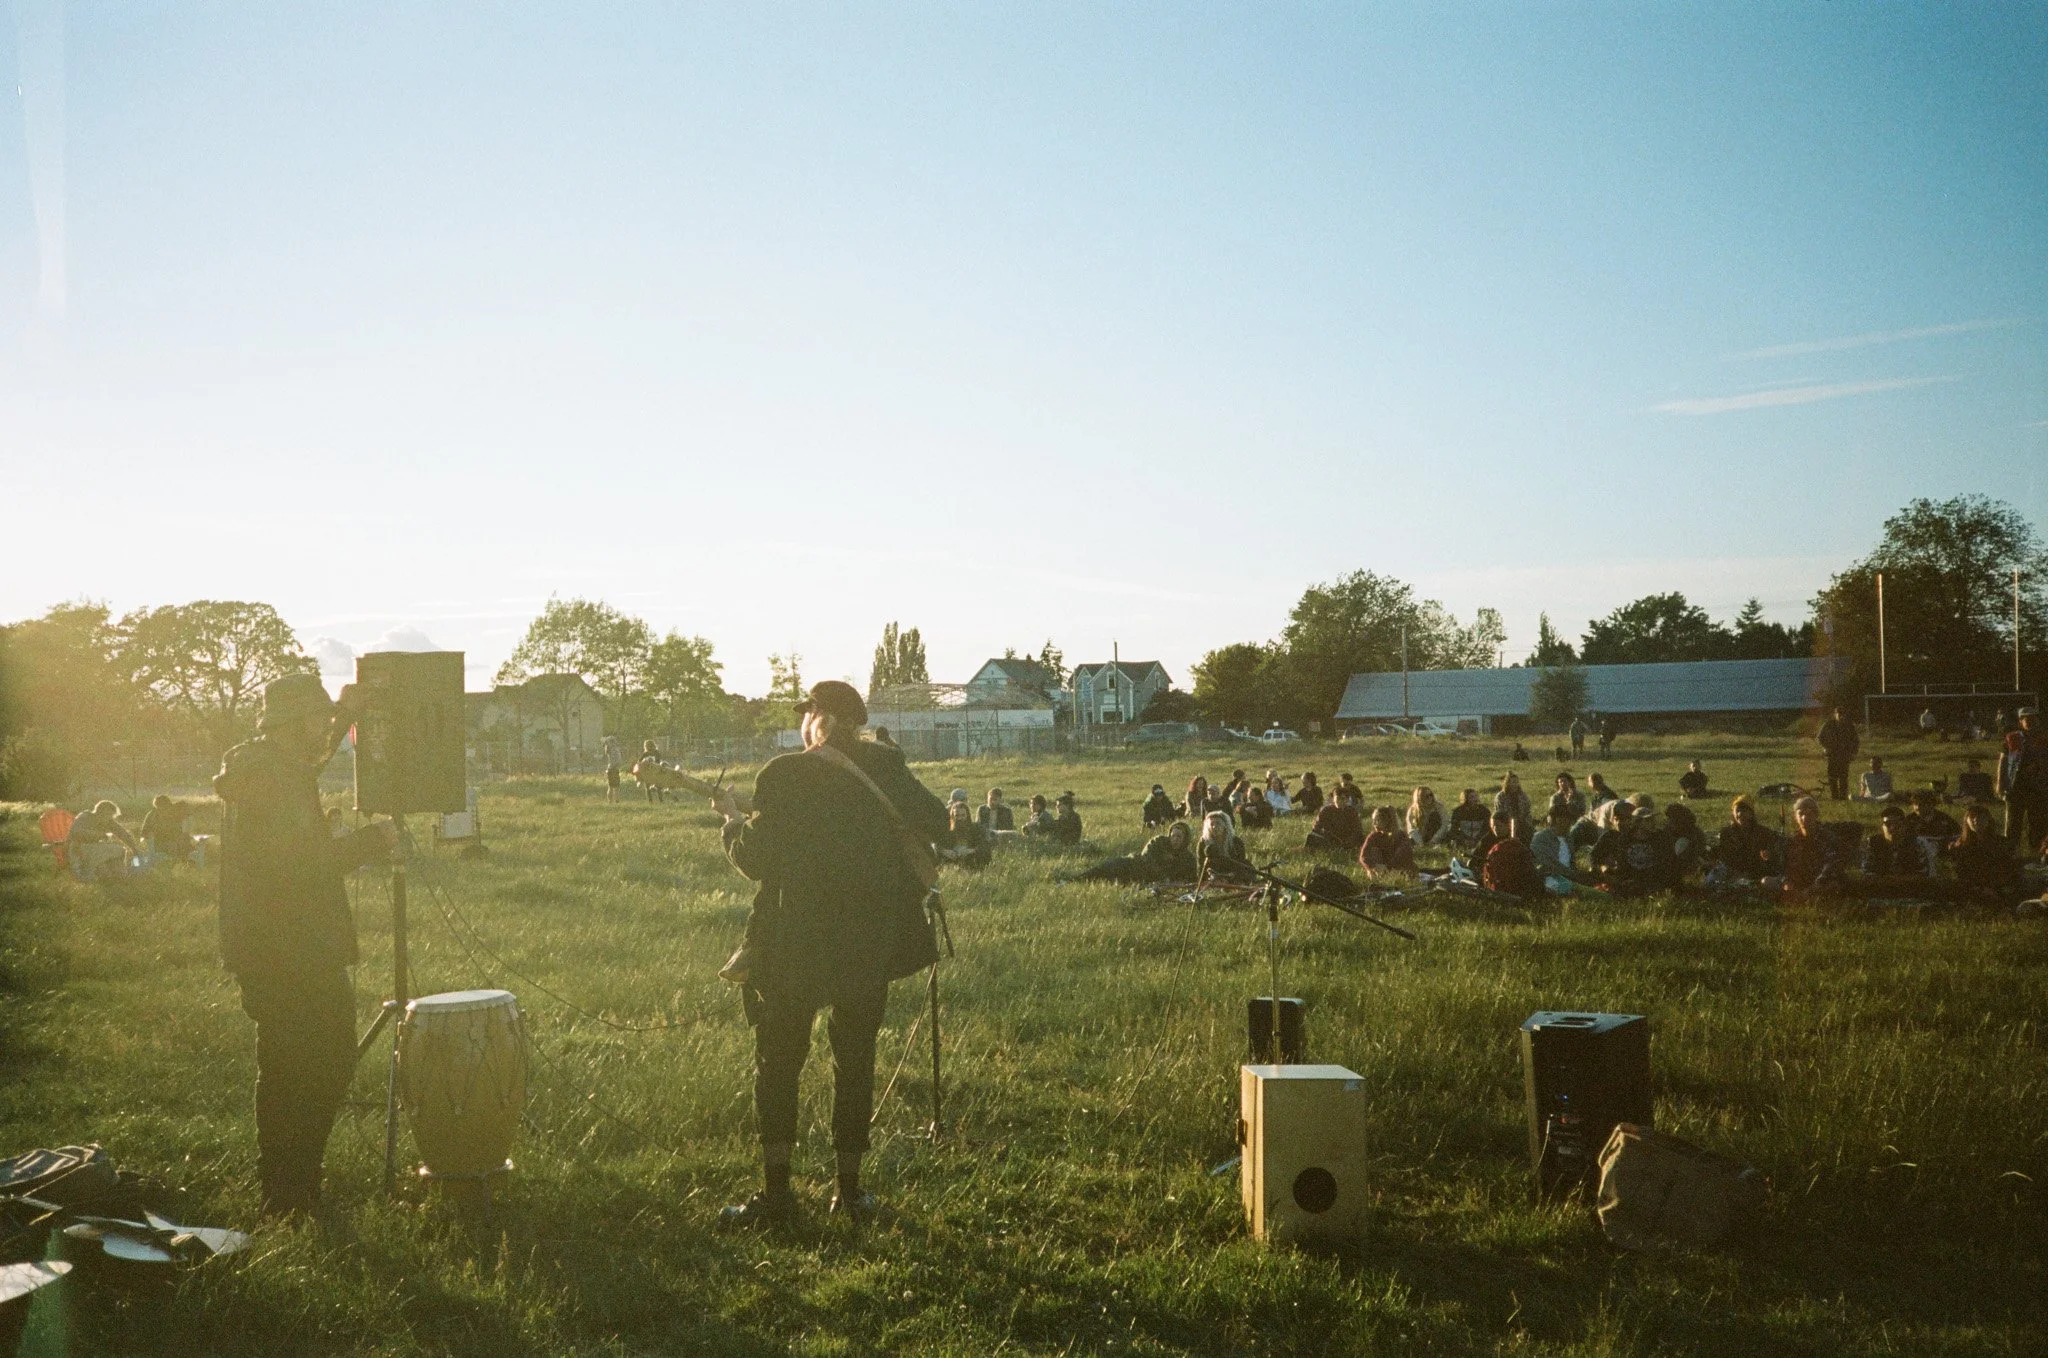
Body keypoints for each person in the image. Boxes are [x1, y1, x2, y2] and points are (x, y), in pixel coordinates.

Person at [714, 680, 949, 1227]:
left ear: (818, 717)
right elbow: (936, 821)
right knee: (855, 1060)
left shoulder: (784, 773)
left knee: (778, 1066)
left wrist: (730, 826)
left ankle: (777, 1196)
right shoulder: (886, 766)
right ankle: (849, 1191)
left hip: (793, 944)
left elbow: (754, 860)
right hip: (868, 942)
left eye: (807, 712)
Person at [214, 673, 391, 1218]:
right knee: (307, 1067)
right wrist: (370, 842)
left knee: (305, 1064)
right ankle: (289, 1196)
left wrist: (341, 717)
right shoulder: (273, 780)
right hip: (287, 947)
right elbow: (304, 862)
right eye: (314, 719)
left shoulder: (267, 766)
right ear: (290, 724)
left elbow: (308, 760)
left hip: (281, 944)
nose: (322, 729)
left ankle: (293, 1189)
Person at [1591, 801, 1676, 897]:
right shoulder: (1623, 839)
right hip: (1628, 881)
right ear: (1638, 822)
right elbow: (1596, 858)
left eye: (1652, 819)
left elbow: (1667, 863)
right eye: (1648, 820)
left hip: (1652, 880)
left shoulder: (1658, 838)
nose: (1653, 823)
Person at [1071, 821, 1196, 884]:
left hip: (1141, 881)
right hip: (1131, 866)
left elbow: (1191, 878)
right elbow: (1146, 857)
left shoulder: (1187, 858)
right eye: (1173, 835)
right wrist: (1162, 877)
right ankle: (1072, 880)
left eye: (1179, 837)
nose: (1175, 839)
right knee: (1101, 871)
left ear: (1185, 839)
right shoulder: (1159, 841)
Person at [1951, 804, 2022, 905]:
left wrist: (1994, 888)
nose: (1976, 820)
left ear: (1989, 820)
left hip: (1999, 887)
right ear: (1966, 821)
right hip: (1973, 889)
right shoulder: (1960, 847)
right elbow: (1960, 873)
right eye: (1972, 817)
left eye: (1981, 817)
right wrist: (1981, 888)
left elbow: (2010, 869)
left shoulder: (2002, 843)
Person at [1999, 707, 2048, 854]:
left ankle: (2038, 852)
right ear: (2021, 721)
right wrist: (2000, 783)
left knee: (2038, 821)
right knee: (2013, 822)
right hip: (2016, 786)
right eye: (2027, 719)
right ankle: (2010, 851)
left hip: (2038, 786)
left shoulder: (2044, 738)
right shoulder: (2011, 738)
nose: (2031, 721)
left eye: (2034, 718)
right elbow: (2003, 760)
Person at [1780, 795, 1844, 898]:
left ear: (1816, 815)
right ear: (1796, 817)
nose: (1804, 818)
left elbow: (1831, 865)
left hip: (1820, 881)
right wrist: (1786, 881)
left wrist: (1815, 885)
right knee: (1767, 882)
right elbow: (1783, 864)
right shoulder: (1792, 839)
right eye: (1801, 814)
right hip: (1799, 881)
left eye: (1809, 814)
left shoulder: (1827, 837)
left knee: (1833, 885)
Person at [67, 800, 142, 880]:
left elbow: (123, 833)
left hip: (95, 850)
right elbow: (76, 832)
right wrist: (100, 835)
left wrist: (134, 848)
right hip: (80, 849)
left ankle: (122, 876)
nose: (111, 818)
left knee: (114, 863)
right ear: (102, 812)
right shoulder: (85, 817)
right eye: (110, 815)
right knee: (118, 850)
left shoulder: (107, 821)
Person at [1712, 797, 1780, 883]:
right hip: (1732, 873)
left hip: (1756, 874)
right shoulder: (1726, 833)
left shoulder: (1763, 833)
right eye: (1737, 811)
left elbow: (1770, 858)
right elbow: (1725, 858)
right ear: (1733, 814)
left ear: (1751, 814)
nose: (1740, 814)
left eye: (1744, 811)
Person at [1481, 812, 1544, 898]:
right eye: (1493, 826)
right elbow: (1477, 860)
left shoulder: (1518, 840)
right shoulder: (1487, 839)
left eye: (1499, 826)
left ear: (1508, 825)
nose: (1495, 829)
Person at [1861, 804, 1929, 881]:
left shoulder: (1916, 843)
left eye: (1897, 824)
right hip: (1879, 888)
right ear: (1882, 827)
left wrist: (1897, 880)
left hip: (1908, 888)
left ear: (1904, 826)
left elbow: (1922, 874)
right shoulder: (1872, 843)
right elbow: (1867, 873)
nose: (1892, 828)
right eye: (1888, 824)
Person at [1529, 806, 1587, 893]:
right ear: (1558, 820)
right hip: (1551, 878)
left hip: (1570, 877)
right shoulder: (1541, 838)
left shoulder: (1568, 838)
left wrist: (1577, 874)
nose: (1570, 824)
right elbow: (1548, 865)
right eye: (1568, 820)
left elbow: (1572, 863)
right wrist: (1573, 875)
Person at [1197, 812, 1255, 884]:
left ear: (1225, 825)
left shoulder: (1236, 842)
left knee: (1247, 865)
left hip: (1233, 873)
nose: (1214, 827)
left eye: (1218, 823)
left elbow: (1240, 863)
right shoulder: (1203, 842)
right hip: (1213, 873)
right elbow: (1201, 864)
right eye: (1212, 824)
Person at [1359, 807, 1415, 879]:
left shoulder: (1401, 836)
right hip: (1379, 870)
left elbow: (1402, 856)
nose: (1374, 823)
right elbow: (1363, 856)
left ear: (1386, 821)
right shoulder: (1373, 836)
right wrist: (1374, 866)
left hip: (1397, 869)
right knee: (1373, 851)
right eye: (1373, 820)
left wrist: (1388, 867)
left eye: (1377, 820)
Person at [1817, 708, 1860, 801]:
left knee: (1843, 777)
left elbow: (1856, 741)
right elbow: (1820, 738)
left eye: (1843, 714)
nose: (1841, 716)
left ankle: (1843, 797)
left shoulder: (1850, 726)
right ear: (1835, 714)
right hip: (1832, 754)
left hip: (1844, 754)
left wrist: (1853, 753)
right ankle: (1834, 796)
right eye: (1839, 714)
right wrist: (1825, 747)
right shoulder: (1828, 725)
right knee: (1832, 777)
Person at [142, 794, 194, 865]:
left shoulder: (175, 814)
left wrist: (180, 838)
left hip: (174, 842)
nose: (164, 811)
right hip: (157, 843)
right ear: (157, 808)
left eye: (167, 808)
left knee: (184, 844)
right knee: (172, 847)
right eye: (160, 809)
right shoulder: (152, 816)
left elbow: (186, 808)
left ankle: (185, 864)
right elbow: (144, 834)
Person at [1664, 803, 1704, 881]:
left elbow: (1698, 851)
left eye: (1671, 820)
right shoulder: (1667, 831)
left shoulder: (1694, 833)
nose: (1669, 822)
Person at [1492, 773, 1532, 843]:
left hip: (1522, 824)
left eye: (1516, 782)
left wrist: (1525, 822)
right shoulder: (1500, 796)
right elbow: (1499, 813)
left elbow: (1528, 811)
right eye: (1512, 782)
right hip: (1506, 824)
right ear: (1507, 783)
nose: (1514, 784)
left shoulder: (1523, 795)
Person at [603, 735, 623, 803]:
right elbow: (618, 761)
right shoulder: (615, 750)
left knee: (611, 786)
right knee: (616, 787)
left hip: (610, 769)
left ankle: (610, 801)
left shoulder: (609, 750)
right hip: (614, 769)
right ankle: (616, 800)